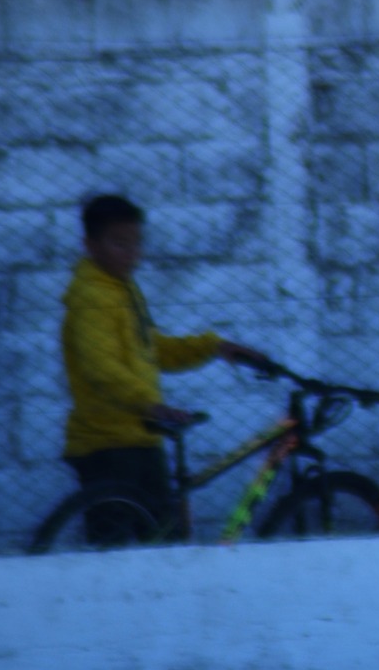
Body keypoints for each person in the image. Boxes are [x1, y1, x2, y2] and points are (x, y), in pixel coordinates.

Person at [60, 194, 262, 537]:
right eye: (119, 243)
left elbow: (153, 350)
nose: (131, 253)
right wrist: (149, 403)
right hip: (108, 443)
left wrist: (211, 346)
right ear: (90, 245)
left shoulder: (123, 289)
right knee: (115, 552)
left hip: (140, 435)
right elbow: (100, 369)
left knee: (162, 537)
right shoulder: (92, 298)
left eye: (136, 243)